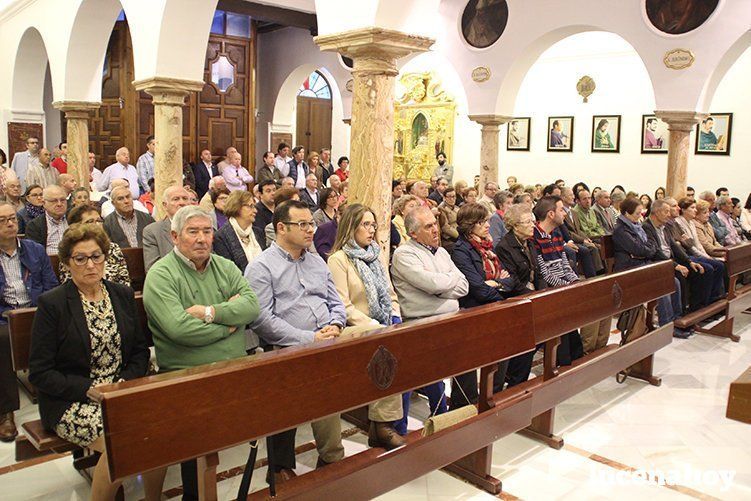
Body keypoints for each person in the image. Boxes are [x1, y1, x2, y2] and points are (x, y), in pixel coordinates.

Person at [28, 224, 150, 499]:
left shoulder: (121, 294)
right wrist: (89, 389)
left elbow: (139, 351)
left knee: (157, 432)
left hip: (119, 392)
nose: (90, 265)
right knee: (121, 442)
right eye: (80, 258)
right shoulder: (53, 304)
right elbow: (40, 372)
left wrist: (122, 384)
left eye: (97, 256)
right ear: (68, 263)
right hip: (73, 400)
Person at [144, 205, 259, 498]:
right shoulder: (161, 275)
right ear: (174, 236)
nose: (201, 239)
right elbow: (179, 329)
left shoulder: (225, 266)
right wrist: (228, 327)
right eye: (192, 232)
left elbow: (251, 307)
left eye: (207, 231)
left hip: (233, 369)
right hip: (186, 376)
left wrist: (208, 312)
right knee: (194, 434)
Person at [246, 200, 345, 481]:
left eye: (311, 224)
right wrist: (308, 337)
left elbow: (334, 301)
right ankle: (279, 466)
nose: (310, 230)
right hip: (286, 345)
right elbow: (262, 319)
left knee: (376, 346)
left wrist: (336, 324)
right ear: (281, 228)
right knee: (292, 376)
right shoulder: (262, 267)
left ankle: (332, 456)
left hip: (327, 337)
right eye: (302, 225)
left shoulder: (316, 261)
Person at [327, 204, 405, 449]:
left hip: (379, 325)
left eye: (373, 225)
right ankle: (382, 425)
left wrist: (394, 315)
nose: (371, 230)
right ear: (351, 227)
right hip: (353, 328)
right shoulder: (338, 259)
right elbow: (344, 306)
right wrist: (374, 325)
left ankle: (387, 422)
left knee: (403, 337)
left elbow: (391, 294)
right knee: (385, 343)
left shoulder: (375, 254)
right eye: (365, 225)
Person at [390, 206, 468, 432]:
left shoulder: (442, 252)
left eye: (435, 223)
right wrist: (445, 283)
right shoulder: (404, 254)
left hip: (449, 318)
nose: (436, 230)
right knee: (414, 375)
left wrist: (441, 286)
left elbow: (463, 286)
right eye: (428, 226)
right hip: (420, 321)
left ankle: (441, 416)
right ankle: (399, 429)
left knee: (441, 372)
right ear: (413, 233)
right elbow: (431, 284)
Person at [0, 201, 58, 442]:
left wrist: (42, 311)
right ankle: (6, 411)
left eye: (12, 218)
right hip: (4, 316)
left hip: (35, 310)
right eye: (2, 220)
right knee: (2, 341)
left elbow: (51, 285)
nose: (10, 223)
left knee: (61, 326)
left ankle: (56, 399)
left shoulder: (34, 249)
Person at [450, 203, 515, 407]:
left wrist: (496, 284)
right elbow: (476, 288)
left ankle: (493, 393)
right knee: (472, 359)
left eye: (486, 220)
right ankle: (466, 403)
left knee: (504, 349)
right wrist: (500, 287)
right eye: (482, 222)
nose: (488, 225)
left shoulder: (488, 248)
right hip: (473, 309)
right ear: (470, 226)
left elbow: (509, 279)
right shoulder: (461, 251)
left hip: (493, 305)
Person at [612, 197, 690, 337]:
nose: (640, 216)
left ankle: (676, 320)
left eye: (641, 212)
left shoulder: (637, 227)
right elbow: (640, 250)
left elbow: (648, 247)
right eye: (637, 213)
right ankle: (666, 325)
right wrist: (646, 249)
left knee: (675, 281)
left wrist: (646, 249)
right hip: (629, 270)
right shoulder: (621, 230)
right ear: (626, 214)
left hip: (641, 264)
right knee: (661, 285)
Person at [531, 196, 585, 362]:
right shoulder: (534, 238)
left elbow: (564, 265)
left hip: (562, 288)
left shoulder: (556, 234)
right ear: (551, 214)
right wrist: (566, 287)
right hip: (548, 290)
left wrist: (575, 281)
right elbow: (545, 273)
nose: (566, 213)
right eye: (562, 210)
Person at [644, 199, 714, 314]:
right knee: (680, 277)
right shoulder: (647, 227)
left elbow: (673, 245)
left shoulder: (664, 226)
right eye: (666, 211)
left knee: (700, 270)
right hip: (659, 263)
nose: (669, 214)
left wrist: (688, 261)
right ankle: (680, 315)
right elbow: (656, 252)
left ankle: (696, 310)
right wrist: (676, 266)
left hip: (670, 261)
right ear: (657, 212)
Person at [495, 204, 539, 386]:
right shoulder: (505, 247)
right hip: (515, 299)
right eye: (528, 222)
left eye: (533, 221)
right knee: (526, 342)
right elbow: (512, 281)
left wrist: (543, 293)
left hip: (531, 295)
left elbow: (537, 271)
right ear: (514, 224)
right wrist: (534, 295)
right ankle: (515, 380)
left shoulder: (529, 242)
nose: (532, 225)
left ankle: (518, 377)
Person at [61, 204, 130, 286]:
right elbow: (68, 284)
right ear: (76, 226)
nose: (97, 225)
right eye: (90, 221)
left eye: (99, 221)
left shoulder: (113, 248)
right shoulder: (70, 249)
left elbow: (124, 280)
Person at [212, 189, 265, 272]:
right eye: (250, 206)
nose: (255, 210)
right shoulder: (221, 237)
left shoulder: (258, 233)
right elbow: (228, 272)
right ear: (236, 207)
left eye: (254, 206)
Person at [142, 186, 191, 271]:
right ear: (165, 205)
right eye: (176, 199)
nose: (182, 202)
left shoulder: (202, 228)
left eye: (185, 198)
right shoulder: (152, 232)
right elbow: (153, 269)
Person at [25, 185, 70, 255]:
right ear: (43, 203)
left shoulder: (74, 219)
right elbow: (35, 255)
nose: (59, 204)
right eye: (54, 201)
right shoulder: (34, 226)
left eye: (62, 200)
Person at [438, 187, 459, 252]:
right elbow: (445, 227)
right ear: (444, 198)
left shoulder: (456, 208)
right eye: (449, 197)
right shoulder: (442, 209)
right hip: (449, 239)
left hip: (459, 233)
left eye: (454, 196)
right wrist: (459, 235)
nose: (452, 199)